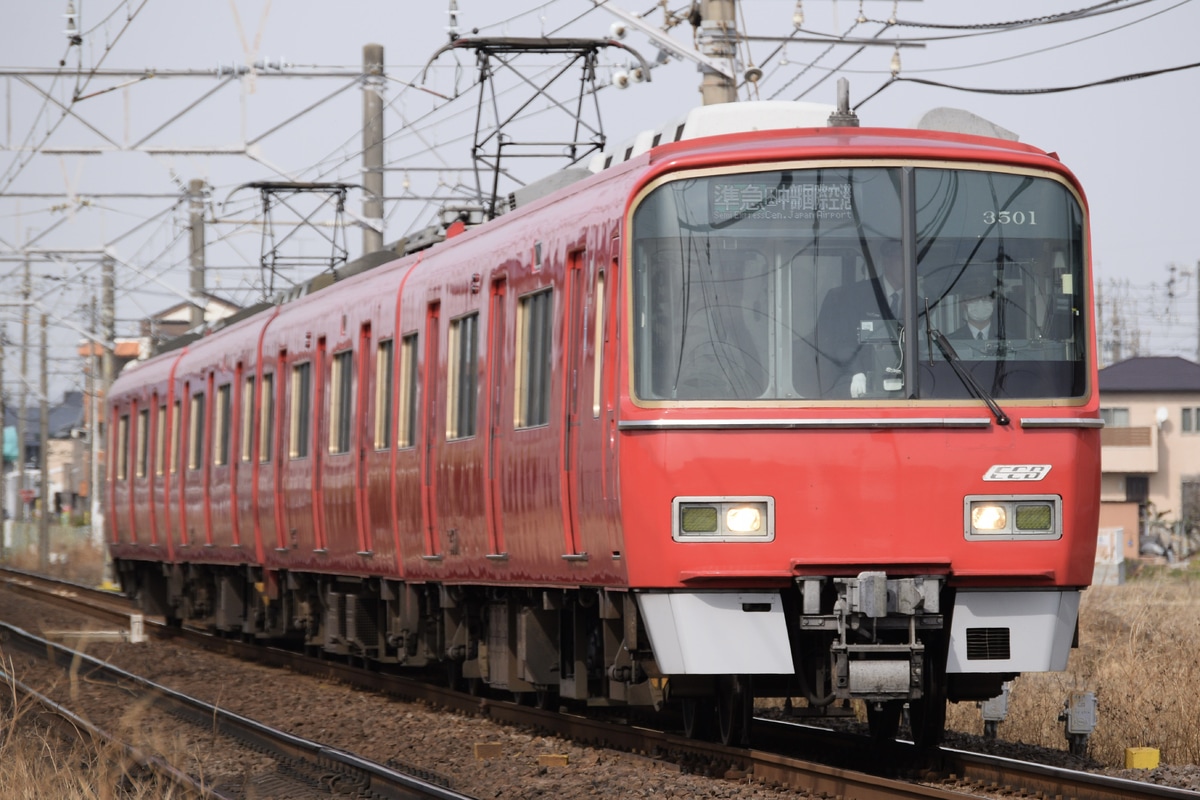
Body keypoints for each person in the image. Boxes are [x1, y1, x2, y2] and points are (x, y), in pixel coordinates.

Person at [814, 240, 904, 398]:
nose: (907, 266)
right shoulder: (856, 295)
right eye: (901, 259)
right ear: (887, 262)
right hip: (858, 380)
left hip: (904, 383)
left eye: (912, 261)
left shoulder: (918, 300)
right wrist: (857, 373)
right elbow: (843, 340)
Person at [949, 271, 1000, 345]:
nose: (980, 303)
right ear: (963, 304)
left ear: (993, 302)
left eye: (985, 298)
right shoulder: (951, 342)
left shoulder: (1008, 339)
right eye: (974, 298)